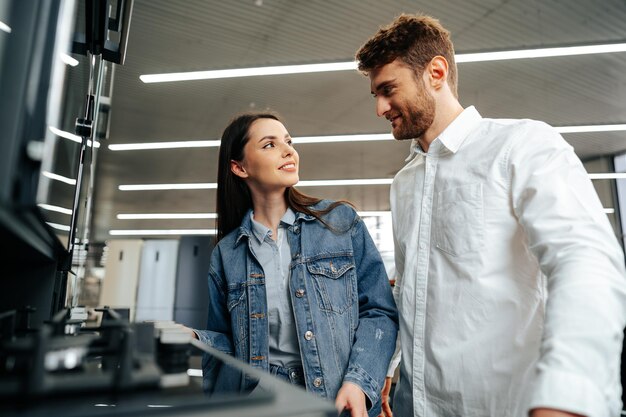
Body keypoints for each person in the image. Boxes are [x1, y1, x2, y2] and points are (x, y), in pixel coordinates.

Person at [355, 14, 626, 417]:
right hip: (415, 405)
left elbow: (584, 261)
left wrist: (567, 395)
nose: (379, 108)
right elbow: (411, 289)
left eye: (388, 89)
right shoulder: (404, 183)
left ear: (436, 72)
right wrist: (390, 368)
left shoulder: (522, 145)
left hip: (508, 405)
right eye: (375, 94)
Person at [192, 112, 398, 417]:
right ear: (239, 167)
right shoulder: (227, 253)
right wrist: (195, 339)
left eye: (289, 142)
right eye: (269, 145)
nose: (289, 151)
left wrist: (359, 381)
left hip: (333, 400)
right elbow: (228, 342)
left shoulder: (339, 224)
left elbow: (379, 312)